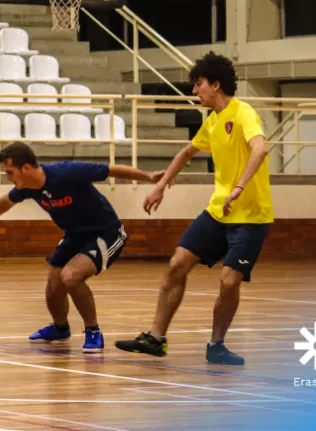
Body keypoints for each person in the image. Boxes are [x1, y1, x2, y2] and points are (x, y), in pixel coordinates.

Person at [116, 51, 272, 366]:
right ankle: (156, 339)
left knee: (229, 280)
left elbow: (260, 148)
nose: (194, 91)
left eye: (198, 84)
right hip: (218, 212)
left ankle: (216, 345)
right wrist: (161, 184)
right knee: (177, 264)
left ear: (215, 84)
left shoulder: (244, 113)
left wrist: (240, 186)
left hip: (251, 217)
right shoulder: (212, 122)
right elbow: (187, 152)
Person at [0, 142, 161, 352]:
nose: (8, 177)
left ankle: (93, 331)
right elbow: (5, 201)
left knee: (71, 276)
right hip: (75, 235)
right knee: (54, 282)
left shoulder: (67, 172)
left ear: (26, 168)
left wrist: (149, 177)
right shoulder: (27, 188)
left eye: (10, 172)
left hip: (105, 233)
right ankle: (60, 328)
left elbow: (111, 170)